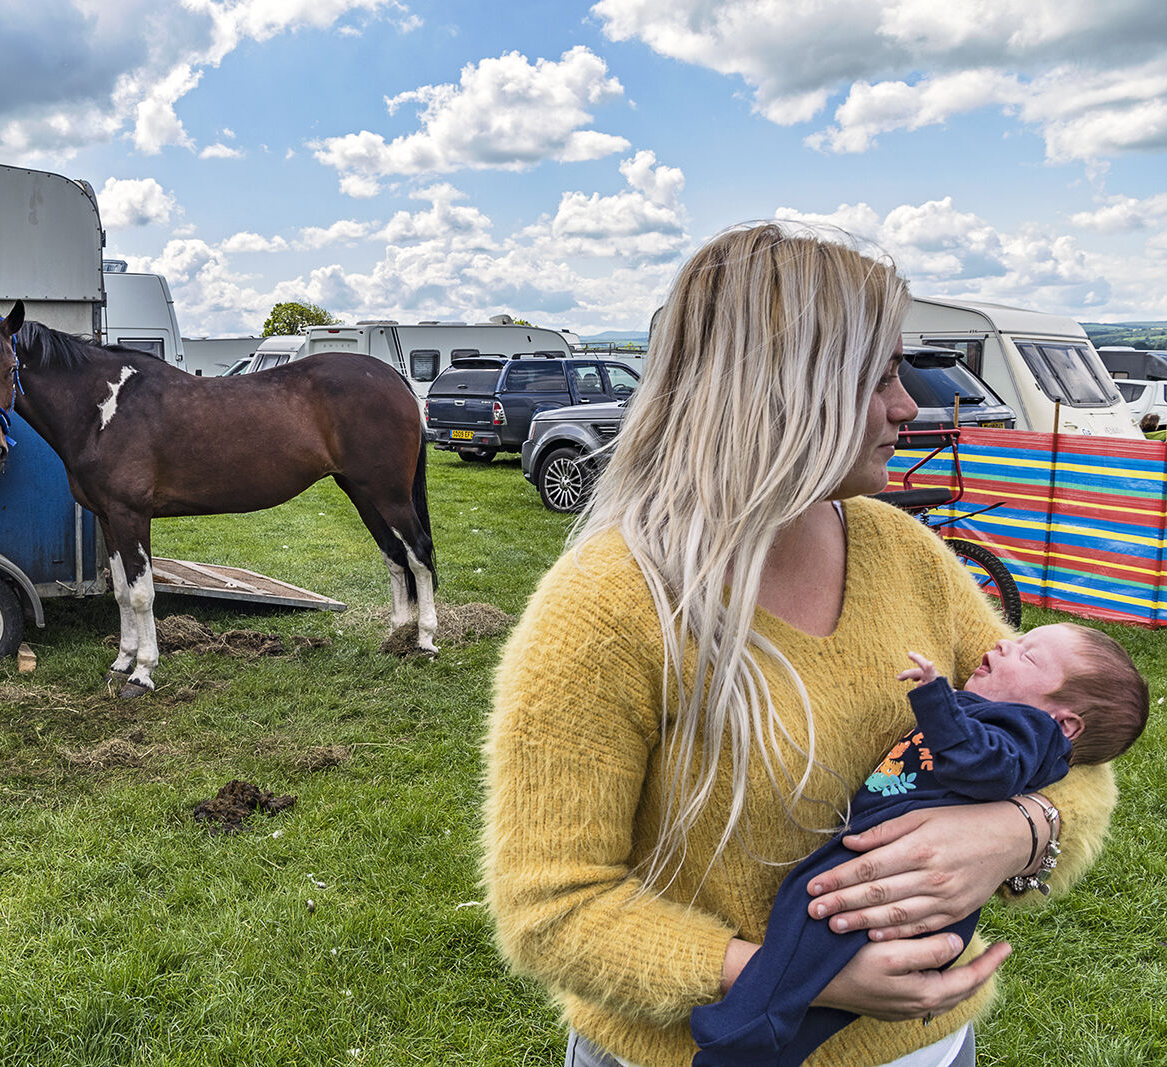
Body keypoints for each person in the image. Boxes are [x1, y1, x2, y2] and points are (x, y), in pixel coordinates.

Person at [482, 223, 1119, 1067]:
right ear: (778, 387)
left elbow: (1074, 745)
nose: (909, 405)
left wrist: (1019, 831)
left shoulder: (904, 551)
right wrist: (795, 974)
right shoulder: (608, 606)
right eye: (879, 375)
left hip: (931, 1050)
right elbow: (549, 907)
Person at [690, 624, 1147, 1065]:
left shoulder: (1028, 731)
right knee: (822, 962)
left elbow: (984, 765)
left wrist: (935, 698)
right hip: (889, 863)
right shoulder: (1009, 714)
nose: (1003, 644)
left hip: (896, 871)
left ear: (1064, 725)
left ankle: (744, 1024)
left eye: (1026, 655)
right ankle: (767, 1042)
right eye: (1016, 640)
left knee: (807, 918)